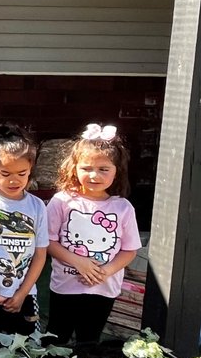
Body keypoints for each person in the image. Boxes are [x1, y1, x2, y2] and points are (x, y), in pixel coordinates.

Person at [47, 124, 141, 345]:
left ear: (117, 170)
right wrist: (79, 262)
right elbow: (48, 241)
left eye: (103, 169)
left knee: (89, 341)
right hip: (65, 287)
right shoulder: (62, 200)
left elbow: (129, 250)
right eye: (86, 168)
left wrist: (104, 272)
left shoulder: (123, 208)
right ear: (74, 168)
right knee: (54, 339)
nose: (94, 175)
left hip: (103, 289)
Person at [0, 123, 49, 358]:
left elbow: (40, 253)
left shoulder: (37, 206)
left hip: (23, 296)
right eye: (6, 174)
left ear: (30, 169)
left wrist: (22, 293)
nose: (15, 180)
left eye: (22, 174)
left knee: (22, 354)